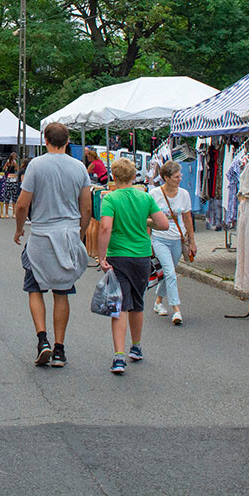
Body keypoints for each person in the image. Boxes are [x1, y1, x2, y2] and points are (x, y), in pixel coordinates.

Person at [15, 122, 91, 368]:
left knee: (34, 288)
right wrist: (80, 233)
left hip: (41, 235)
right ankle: (59, 348)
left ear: (45, 140)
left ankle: (42, 339)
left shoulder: (36, 165)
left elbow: (22, 204)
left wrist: (19, 228)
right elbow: (87, 206)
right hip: (68, 233)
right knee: (62, 291)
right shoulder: (79, 167)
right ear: (68, 140)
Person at [97, 158, 169, 374]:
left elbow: (105, 227)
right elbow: (163, 224)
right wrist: (144, 221)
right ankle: (136, 347)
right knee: (137, 302)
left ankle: (119, 357)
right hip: (142, 256)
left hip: (118, 255)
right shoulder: (145, 197)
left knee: (119, 305)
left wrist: (101, 257)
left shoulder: (110, 199)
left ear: (114, 176)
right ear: (133, 175)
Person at [148, 160, 197, 326]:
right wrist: (148, 240)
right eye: (176, 176)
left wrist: (192, 241)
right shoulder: (154, 194)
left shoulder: (184, 194)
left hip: (177, 239)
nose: (180, 179)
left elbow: (188, 218)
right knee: (170, 272)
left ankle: (158, 300)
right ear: (166, 178)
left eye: (180, 175)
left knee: (167, 272)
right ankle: (176, 309)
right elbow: (147, 218)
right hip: (159, 239)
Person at [0, 152, 19, 218]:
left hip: (8, 179)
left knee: (8, 196)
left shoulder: (8, 161)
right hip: (12, 178)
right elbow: (16, 169)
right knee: (13, 197)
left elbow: (4, 168)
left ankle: (7, 213)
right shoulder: (14, 162)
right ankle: (13, 213)